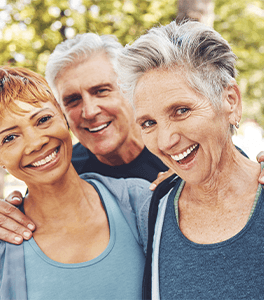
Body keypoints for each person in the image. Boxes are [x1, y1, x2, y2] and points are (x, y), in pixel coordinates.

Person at [0, 33, 171, 246]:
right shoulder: (59, 170)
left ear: (130, 89)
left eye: (101, 91)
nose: (89, 111)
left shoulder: (176, 150)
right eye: (73, 100)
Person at [0, 66, 152, 299]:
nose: (35, 143)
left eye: (43, 119)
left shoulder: (141, 204)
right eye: (9, 138)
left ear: (63, 118)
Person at [116, 20, 264, 299]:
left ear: (230, 100)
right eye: (148, 123)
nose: (165, 141)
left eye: (181, 110)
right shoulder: (154, 209)